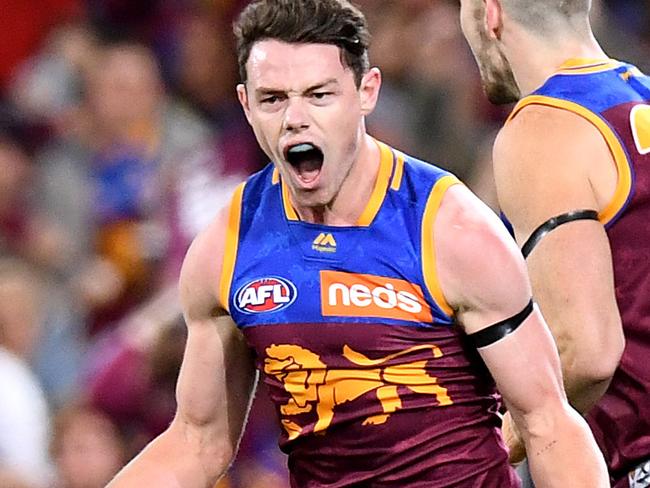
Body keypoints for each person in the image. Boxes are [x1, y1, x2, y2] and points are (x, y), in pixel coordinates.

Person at [108, 1, 608, 487]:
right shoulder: (228, 246)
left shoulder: (451, 231)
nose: (295, 119)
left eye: (319, 95)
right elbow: (197, 441)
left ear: (366, 91)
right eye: (273, 99)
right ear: (245, 104)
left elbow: (549, 424)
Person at [459, 0, 650, 487]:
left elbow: (584, 352)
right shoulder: (640, 96)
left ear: (490, 13)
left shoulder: (544, 128)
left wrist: (485, 446)